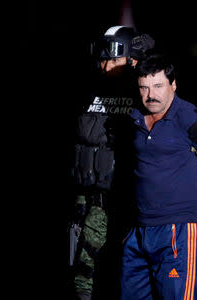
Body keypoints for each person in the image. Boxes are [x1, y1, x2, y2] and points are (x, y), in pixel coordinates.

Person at [119, 52, 197, 300]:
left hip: (179, 227)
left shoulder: (187, 116)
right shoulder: (134, 116)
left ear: (173, 85)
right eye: (144, 88)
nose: (151, 95)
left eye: (158, 86)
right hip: (140, 229)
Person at [70, 25, 155, 300]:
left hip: (121, 200)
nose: (106, 66)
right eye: (104, 59)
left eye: (114, 59)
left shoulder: (145, 94)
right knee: (77, 267)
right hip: (83, 196)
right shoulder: (86, 89)